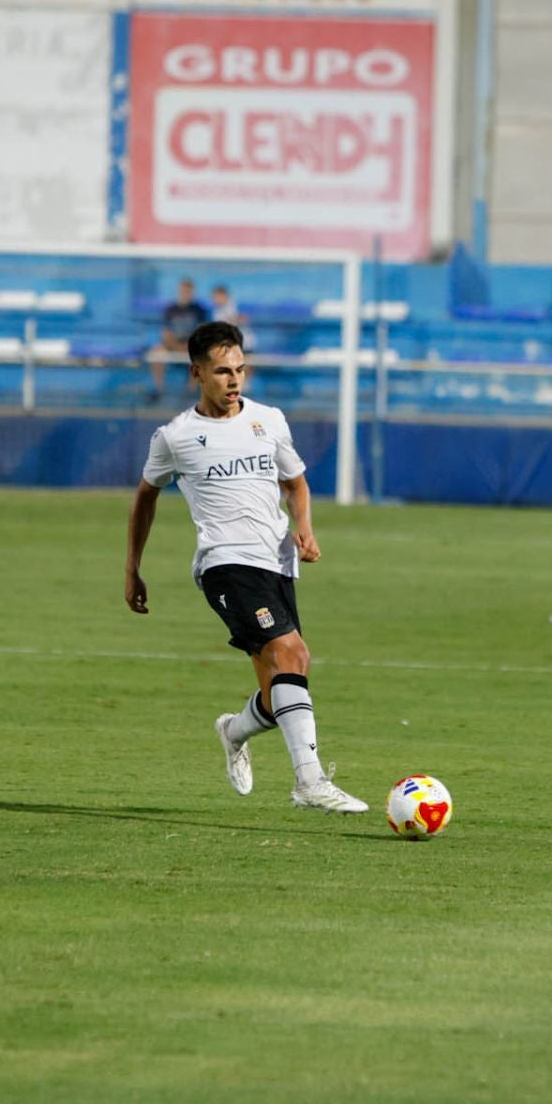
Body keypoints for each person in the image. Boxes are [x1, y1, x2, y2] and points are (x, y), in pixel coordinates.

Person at [125, 320, 367, 815]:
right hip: (225, 564)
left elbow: (295, 483)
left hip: (276, 561)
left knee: (280, 690)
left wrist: (305, 527)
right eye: (221, 371)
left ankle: (233, 731)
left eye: (239, 368)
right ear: (196, 373)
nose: (233, 379)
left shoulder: (269, 420)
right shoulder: (175, 436)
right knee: (292, 652)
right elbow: (145, 497)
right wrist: (133, 568)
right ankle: (310, 782)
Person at [146, 277, 209, 401]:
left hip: (191, 346)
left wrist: (188, 345)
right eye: (184, 291)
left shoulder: (199, 310)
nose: (186, 294)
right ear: (179, 291)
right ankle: (159, 389)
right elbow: (166, 333)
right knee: (156, 353)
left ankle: (191, 391)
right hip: (172, 345)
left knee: (201, 353)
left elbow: (201, 333)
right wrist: (175, 346)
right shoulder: (170, 310)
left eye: (188, 291)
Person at [210, 283, 254, 353]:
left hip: (245, 345)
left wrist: (235, 319)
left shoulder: (235, 306)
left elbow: (245, 319)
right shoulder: (217, 312)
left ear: (225, 295)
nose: (215, 300)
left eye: (217, 297)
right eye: (214, 297)